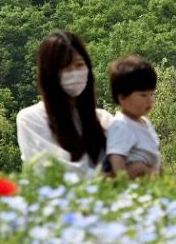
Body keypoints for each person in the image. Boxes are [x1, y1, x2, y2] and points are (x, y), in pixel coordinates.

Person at [16, 31, 112, 177]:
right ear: (50, 74)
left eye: (79, 65)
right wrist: (106, 178)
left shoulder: (103, 119)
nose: (74, 73)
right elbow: (53, 172)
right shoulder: (31, 119)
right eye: (66, 68)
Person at [105, 55, 161, 179]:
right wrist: (124, 182)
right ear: (122, 98)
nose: (149, 100)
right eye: (143, 95)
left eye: (152, 94)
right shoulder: (121, 125)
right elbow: (117, 158)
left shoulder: (145, 122)